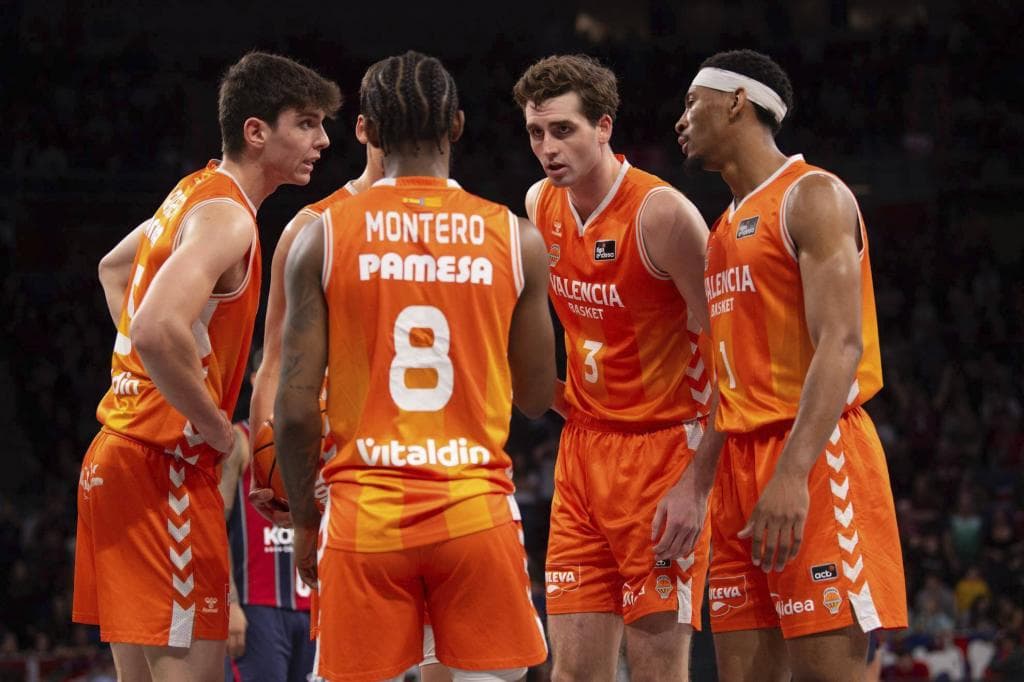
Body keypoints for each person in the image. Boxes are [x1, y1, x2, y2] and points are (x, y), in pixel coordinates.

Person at [274, 50, 554, 681]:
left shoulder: (321, 235)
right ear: (456, 125)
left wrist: (302, 516)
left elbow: (293, 412)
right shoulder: (516, 239)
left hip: (363, 517)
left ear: (366, 129)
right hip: (474, 514)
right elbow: (537, 395)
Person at [72, 51, 341, 681]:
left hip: (117, 459)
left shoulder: (192, 192)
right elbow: (158, 325)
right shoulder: (228, 219)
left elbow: (115, 271)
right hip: (162, 468)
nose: (322, 139)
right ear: (256, 131)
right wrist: (217, 431)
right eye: (305, 123)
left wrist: (155, 377)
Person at [673, 48, 908, 680]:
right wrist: (698, 482)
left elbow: (841, 345)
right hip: (737, 468)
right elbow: (728, 381)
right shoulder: (721, 230)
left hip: (812, 456)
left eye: (692, 103)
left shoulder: (812, 196)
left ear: (736, 103)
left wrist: (791, 473)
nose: (682, 120)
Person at [512, 54, 717, 681]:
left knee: (657, 670)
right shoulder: (539, 204)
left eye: (563, 130)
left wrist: (697, 485)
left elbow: (733, 355)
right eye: (535, 133)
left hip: (664, 456)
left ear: (604, 126)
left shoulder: (663, 216)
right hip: (582, 450)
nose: (547, 148)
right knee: (572, 673)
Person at [245, 94, 454, 682]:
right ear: (363, 130)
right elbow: (276, 362)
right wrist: (269, 464)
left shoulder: (454, 222)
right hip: (352, 472)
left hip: (439, 468)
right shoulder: (313, 227)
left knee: (442, 662)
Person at [220, 348, 317, 682]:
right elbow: (214, 525)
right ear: (255, 380)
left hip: (315, 607)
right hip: (256, 608)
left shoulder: (319, 443)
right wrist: (229, 602)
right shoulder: (239, 441)